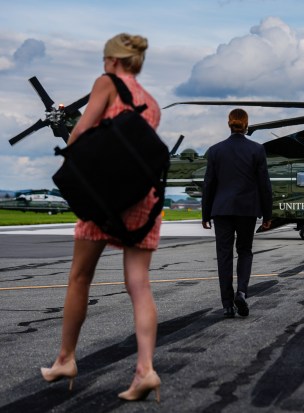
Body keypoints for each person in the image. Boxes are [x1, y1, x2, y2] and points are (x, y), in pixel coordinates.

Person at [41, 33, 162, 402]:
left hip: (106, 198)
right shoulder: (152, 103)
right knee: (139, 284)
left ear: (113, 60)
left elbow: (81, 131)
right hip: (143, 200)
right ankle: (146, 369)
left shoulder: (106, 83)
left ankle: (65, 359)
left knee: (80, 277)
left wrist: (69, 144)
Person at [202, 108, 273, 318]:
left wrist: (206, 214)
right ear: (246, 123)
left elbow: (209, 185)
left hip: (221, 210)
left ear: (229, 123)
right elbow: (264, 185)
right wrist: (267, 215)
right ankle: (241, 291)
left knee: (224, 255)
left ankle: (227, 305)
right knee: (245, 250)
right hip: (246, 209)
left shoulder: (215, 150)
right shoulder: (257, 150)